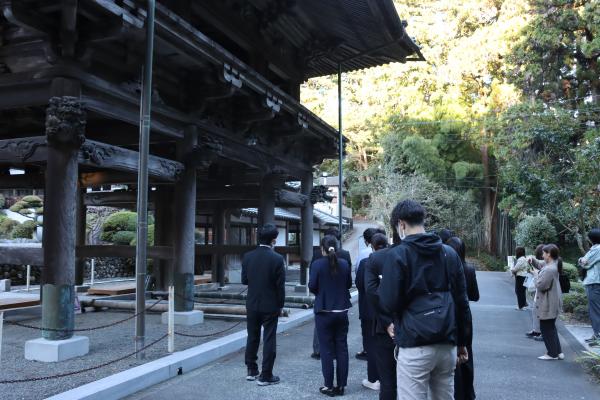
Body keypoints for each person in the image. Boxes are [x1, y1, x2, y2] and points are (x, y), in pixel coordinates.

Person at [379, 200, 470, 400]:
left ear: (401, 224)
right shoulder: (449, 253)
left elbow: (388, 302)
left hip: (414, 343)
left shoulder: (398, 255)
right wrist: (463, 342)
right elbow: (462, 302)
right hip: (447, 343)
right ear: (423, 220)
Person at [241, 224, 286, 385]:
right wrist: (280, 305)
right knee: (269, 338)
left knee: (252, 336)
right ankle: (266, 375)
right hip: (270, 304)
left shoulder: (248, 256)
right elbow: (280, 286)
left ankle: (251, 370)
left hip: (252, 303)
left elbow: (244, 280)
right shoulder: (277, 259)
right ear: (274, 240)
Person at [309, 235, 353, 397]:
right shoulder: (344, 264)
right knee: (342, 348)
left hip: (324, 311)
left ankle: (328, 385)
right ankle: (341, 386)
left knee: (326, 349)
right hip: (342, 311)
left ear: (322, 249)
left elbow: (312, 286)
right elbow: (348, 284)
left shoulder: (317, 265)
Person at [365, 229, 398, 400]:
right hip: (414, 324)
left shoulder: (376, 258)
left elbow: (371, 291)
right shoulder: (422, 254)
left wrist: (386, 321)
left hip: (384, 328)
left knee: (387, 380)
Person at [446, 237, 479, 400]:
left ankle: (455, 393)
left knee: (450, 357)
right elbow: (475, 296)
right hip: (465, 316)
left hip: (447, 316)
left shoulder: (443, 269)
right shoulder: (469, 269)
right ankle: (468, 393)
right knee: (467, 355)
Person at [356, 233, 388, 391]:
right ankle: (389, 377)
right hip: (389, 310)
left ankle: (374, 378)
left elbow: (359, 284)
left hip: (368, 310)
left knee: (371, 345)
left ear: (372, 246)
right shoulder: (394, 259)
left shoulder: (365, 263)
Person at [529, 244, 564, 360]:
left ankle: (551, 354)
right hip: (553, 300)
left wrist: (535, 275)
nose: (542, 255)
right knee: (551, 327)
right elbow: (539, 264)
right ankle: (558, 352)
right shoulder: (553, 264)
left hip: (548, 302)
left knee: (545, 328)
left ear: (548, 254)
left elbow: (540, 285)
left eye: (544, 253)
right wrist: (532, 260)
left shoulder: (549, 269)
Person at [579, 229, 600, 346]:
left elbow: (584, 262)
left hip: (594, 283)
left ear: (591, 239)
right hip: (596, 282)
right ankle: (596, 335)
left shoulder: (597, 249)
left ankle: (598, 336)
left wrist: (581, 260)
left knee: (595, 310)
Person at [525, 245, 544, 341]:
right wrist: (531, 258)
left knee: (541, 312)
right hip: (538, 291)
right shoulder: (546, 263)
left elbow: (541, 282)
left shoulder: (550, 266)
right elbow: (538, 263)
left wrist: (535, 274)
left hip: (543, 292)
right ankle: (536, 330)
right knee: (535, 311)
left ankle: (541, 332)